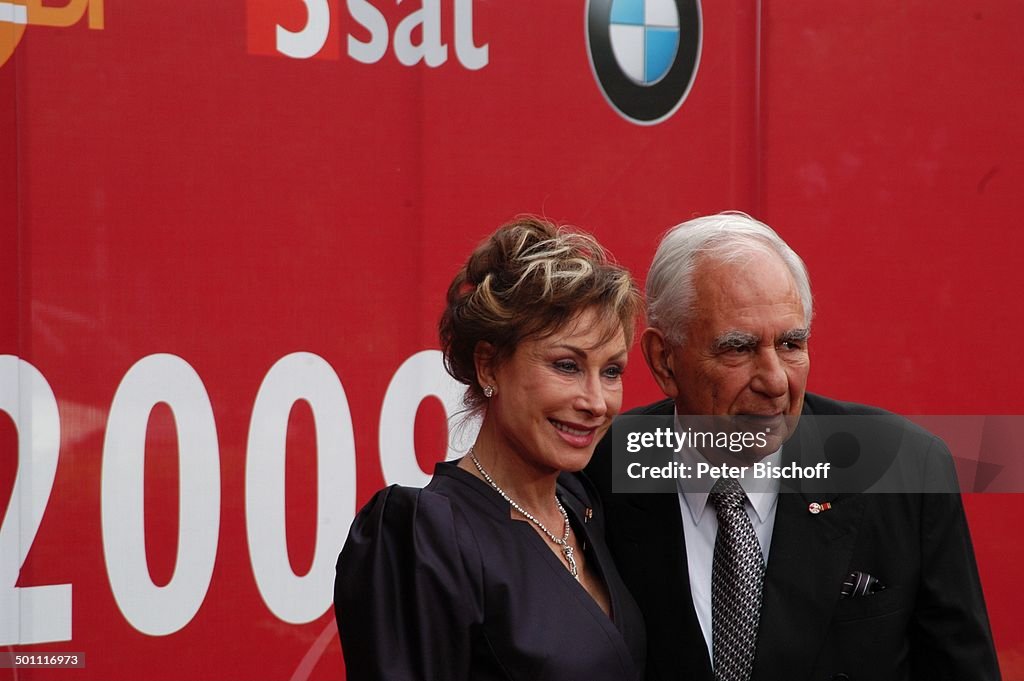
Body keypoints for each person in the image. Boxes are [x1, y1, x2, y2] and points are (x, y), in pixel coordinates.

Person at [586, 212, 1001, 681]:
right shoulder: (598, 468)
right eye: (738, 348)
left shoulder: (903, 467)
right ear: (664, 360)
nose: (775, 380)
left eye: (790, 343)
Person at [335, 217, 646, 680]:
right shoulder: (426, 535)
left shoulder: (582, 502)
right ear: (489, 366)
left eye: (612, 371)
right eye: (566, 365)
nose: (596, 402)